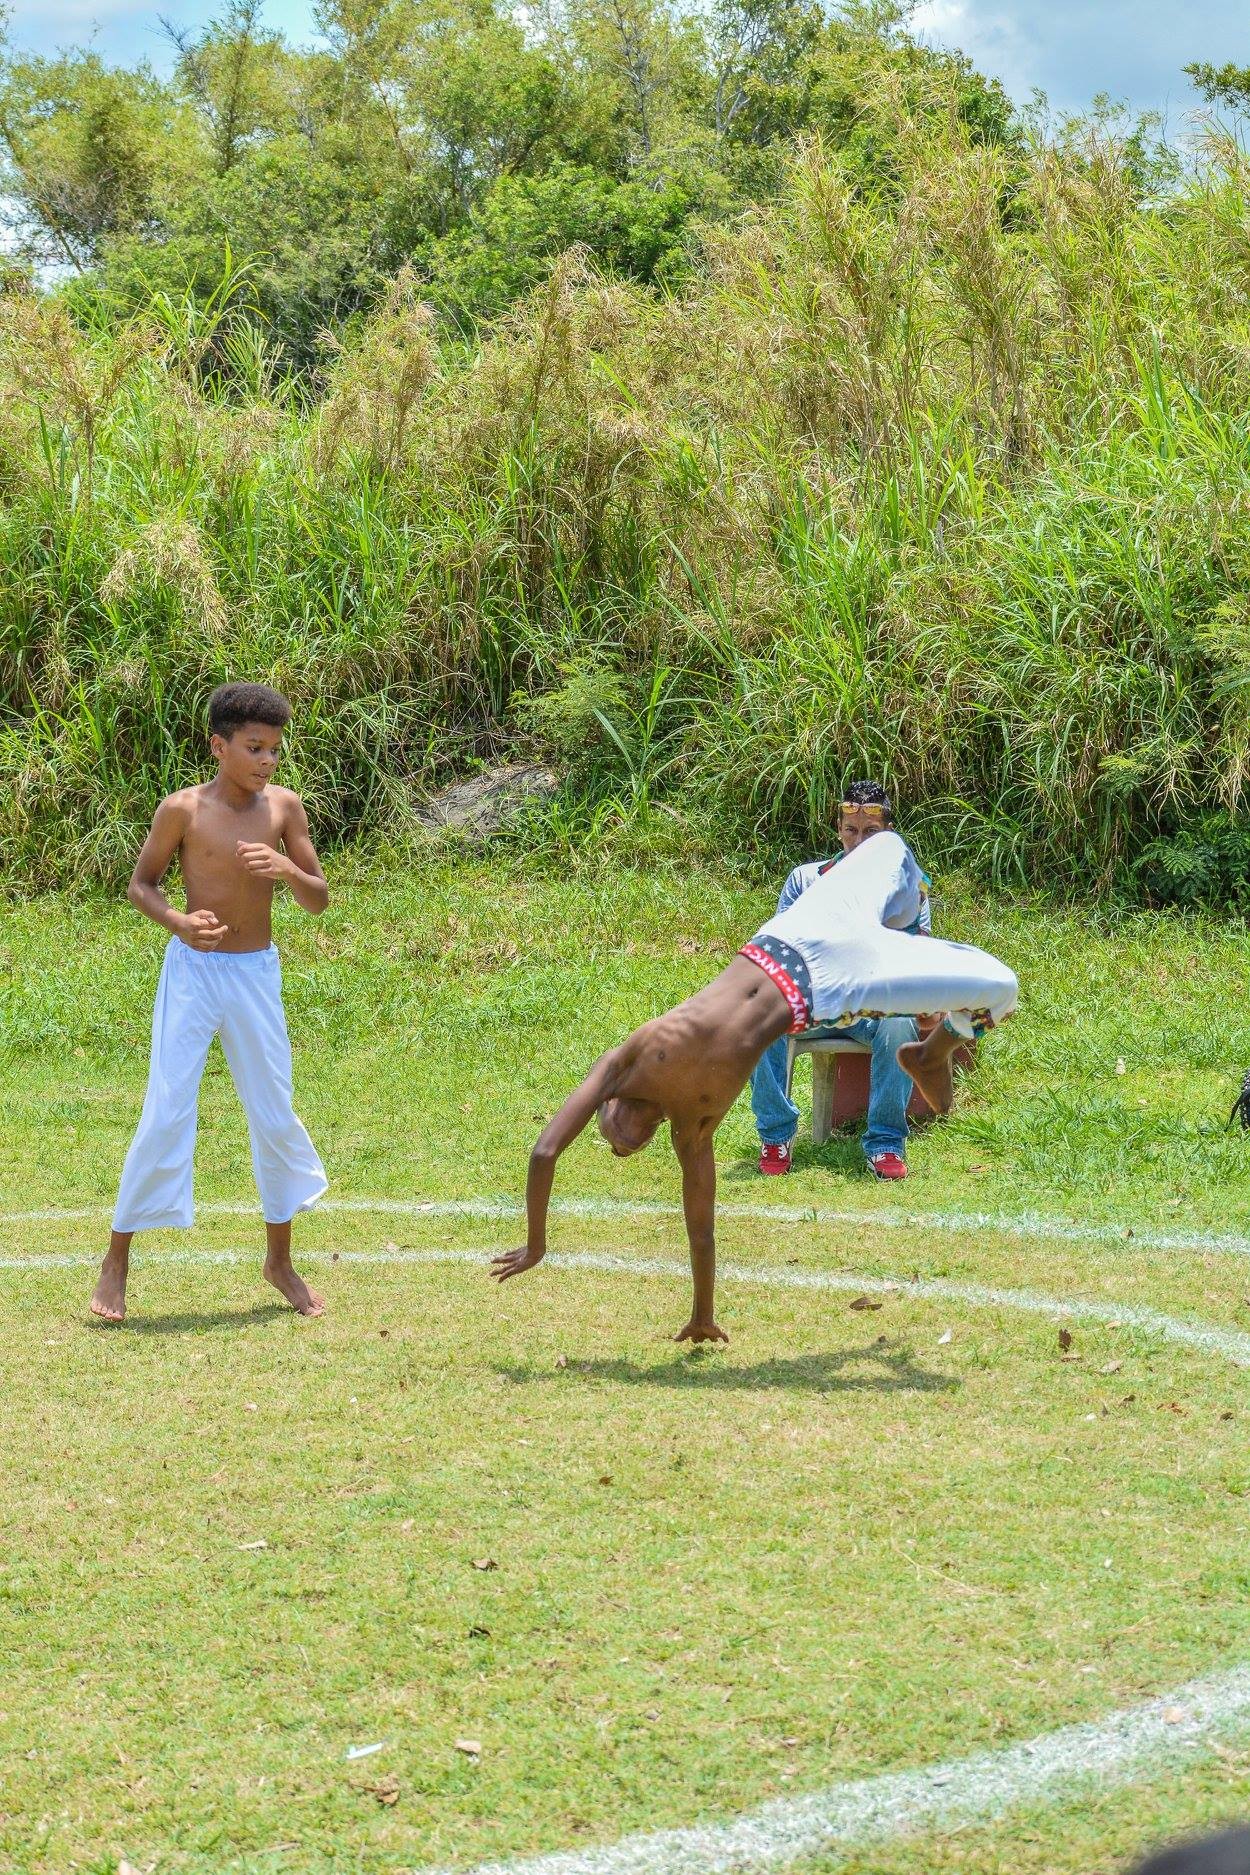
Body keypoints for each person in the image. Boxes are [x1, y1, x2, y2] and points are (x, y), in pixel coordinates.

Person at [492, 829, 1016, 1343]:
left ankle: (920, 1015)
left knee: (890, 846)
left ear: (603, 1105)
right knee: (1001, 988)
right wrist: (702, 1315)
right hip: (828, 986)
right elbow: (701, 1229)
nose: (620, 1145)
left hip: (790, 934)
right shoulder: (691, 1130)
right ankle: (932, 1049)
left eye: (606, 1134)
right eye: (623, 1148)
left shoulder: (625, 1063)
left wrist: (537, 1244)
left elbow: (545, 1151)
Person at [90, 682, 330, 1325]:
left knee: (273, 1109)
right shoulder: (183, 810)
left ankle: (279, 1259)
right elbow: (142, 885)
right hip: (194, 972)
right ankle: (117, 1258)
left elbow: (318, 897)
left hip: (255, 974)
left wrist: (285, 870)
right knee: (168, 1106)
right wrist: (178, 922)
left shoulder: (284, 809)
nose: (266, 762)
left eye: (275, 750)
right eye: (254, 748)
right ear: (219, 746)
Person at [751, 779, 928, 1181]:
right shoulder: (805, 880)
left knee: (900, 1020)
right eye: (851, 830)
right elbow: (782, 950)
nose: (859, 840)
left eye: (871, 833)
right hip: (814, 1003)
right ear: (838, 830)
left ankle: (885, 1143)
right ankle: (776, 1134)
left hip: (871, 1007)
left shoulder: (908, 888)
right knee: (760, 1016)